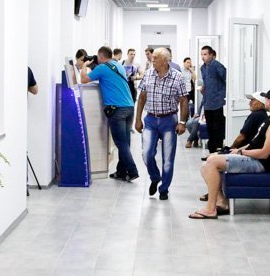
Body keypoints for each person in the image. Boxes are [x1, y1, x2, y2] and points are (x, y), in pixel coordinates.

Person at [189, 88, 270, 219]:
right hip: (251, 157)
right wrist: (237, 150)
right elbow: (254, 143)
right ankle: (222, 202)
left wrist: (241, 152)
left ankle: (210, 209)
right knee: (206, 165)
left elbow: (264, 153)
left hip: (258, 163)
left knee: (212, 162)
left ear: (269, 102)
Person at [135, 47, 189, 200]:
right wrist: (137, 119)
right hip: (151, 119)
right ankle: (154, 177)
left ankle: (164, 189)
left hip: (169, 120)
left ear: (165, 61)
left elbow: (184, 100)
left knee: (168, 160)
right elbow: (142, 97)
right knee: (146, 154)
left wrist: (182, 122)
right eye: (152, 58)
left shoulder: (177, 77)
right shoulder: (148, 74)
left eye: (156, 58)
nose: (152, 60)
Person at [81, 46, 139, 182]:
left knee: (120, 143)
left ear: (101, 56)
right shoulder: (118, 65)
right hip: (129, 107)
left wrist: (84, 65)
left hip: (117, 110)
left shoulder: (102, 68)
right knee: (125, 142)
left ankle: (132, 171)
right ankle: (121, 171)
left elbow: (83, 79)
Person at [198, 91, 268, 199]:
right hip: (246, 151)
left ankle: (215, 194)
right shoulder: (263, 116)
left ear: (260, 103)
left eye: (252, 100)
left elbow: (242, 137)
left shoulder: (256, 115)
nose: (249, 102)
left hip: (248, 154)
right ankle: (215, 191)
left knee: (211, 160)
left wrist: (231, 148)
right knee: (212, 157)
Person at [200, 46, 226, 156]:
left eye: (205, 54)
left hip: (217, 102)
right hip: (208, 103)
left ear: (211, 55)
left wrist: (222, 96)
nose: (203, 57)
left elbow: (226, 79)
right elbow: (207, 82)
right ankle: (211, 153)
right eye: (202, 54)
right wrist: (204, 88)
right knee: (210, 129)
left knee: (217, 129)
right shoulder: (202, 68)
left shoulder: (217, 65)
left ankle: (217, 153)